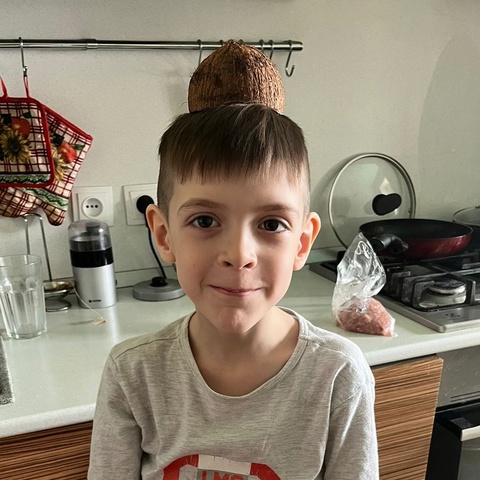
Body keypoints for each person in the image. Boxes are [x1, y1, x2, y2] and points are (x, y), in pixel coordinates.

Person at [88, 103, 379, 480]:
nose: (240, 255)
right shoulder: (133, 373)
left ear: (302, 243)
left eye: (271, 224)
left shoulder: (337, 373)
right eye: (204, 221)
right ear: (163, 234)